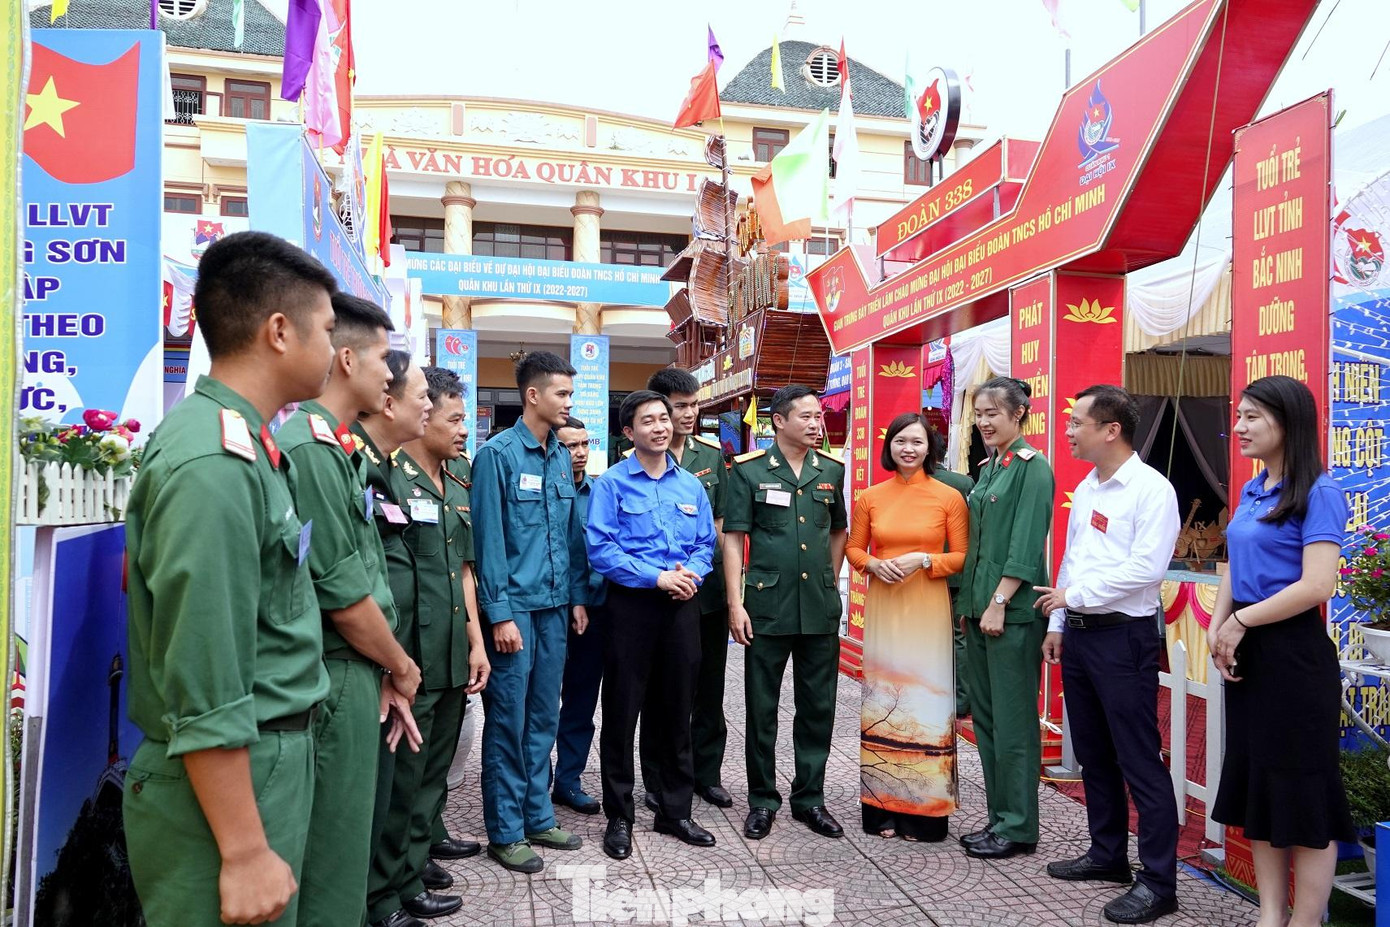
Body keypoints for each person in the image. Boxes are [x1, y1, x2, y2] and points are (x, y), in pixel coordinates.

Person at [122, 231, 335, 926]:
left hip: (262, 763)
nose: (335, 351)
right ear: (280, 330)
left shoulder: (246, 441)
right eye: (328, 330)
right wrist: (244, 849)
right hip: (225, 785)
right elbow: (205, 671)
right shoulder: (213, 462)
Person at [280, 294, 423, 927]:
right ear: (346, 358)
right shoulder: (311, 447)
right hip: (340, 670)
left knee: (351, 840)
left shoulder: (336, 446)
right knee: (334, 858)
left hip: (361, 671)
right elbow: (340, 587)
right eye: (384, 359)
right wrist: (399, 664)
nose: (392, 376)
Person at [1033, 385, 1181, 924]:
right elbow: (1073, 560)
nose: (1068, 431)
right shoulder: (1089, 487)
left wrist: (1074, 598)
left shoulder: (1151, 490)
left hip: (1126, 637)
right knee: (1093, 752)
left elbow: (1146, 570)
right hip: (1082, 634)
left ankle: (1159, 881)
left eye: (1077, 423)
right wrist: (1059, 619)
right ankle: (1107, 854)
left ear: (1110, 429)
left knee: (1138, 757)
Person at [1207, 375, 1351, 927]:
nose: (1237, 427)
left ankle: (1306, 920)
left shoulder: (1319, 492)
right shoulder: (1252, 488)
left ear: (1287, 423)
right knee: (1258, 788)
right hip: (1248, 648)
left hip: (1293, 656)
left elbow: (1318, 586)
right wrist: (1222, 625)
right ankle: (1271, 915)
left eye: (1251, 418)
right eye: (1238, 415)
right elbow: (1233, 565)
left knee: (1304, 794)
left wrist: (1241, 620)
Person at [586, 391, 719, 860]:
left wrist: (691, 576)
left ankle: (674, 809)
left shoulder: (691, 486)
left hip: (681, 605)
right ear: (629, 432)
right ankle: (619, 815)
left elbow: (706, 543)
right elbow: (601, 550)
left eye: (665, 419)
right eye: (649, 421)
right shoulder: (612, 484)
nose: (661, 427)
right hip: (631, 607)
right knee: (623, 711)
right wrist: (655, 576)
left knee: (676, 707)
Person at [379, 368, 491, 921]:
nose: (462, 430)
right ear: (423, 419)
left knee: (435, 771)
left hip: (450, 649)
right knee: (404, 778)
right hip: (409, 656)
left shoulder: (462, 476)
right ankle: (389, 885)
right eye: (452, 418)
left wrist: (475, 640)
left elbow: (464, 570)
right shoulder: (389, 477)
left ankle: (414, 863)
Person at [472, 351, 590, 873]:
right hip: (514, 611)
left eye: (571, 393)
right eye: (562, 393)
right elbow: (489, 543)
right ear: (533, 396)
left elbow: (569, 536)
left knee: (544, 715)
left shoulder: (559, 457)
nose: (569, 403)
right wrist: (497, 615)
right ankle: (505, 830)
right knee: (508, 719)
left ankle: (538, 814)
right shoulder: (497, 456)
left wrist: (577, 597)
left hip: (555, 608)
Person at [723, 385, 848, 841]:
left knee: (818, 706)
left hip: (818, 608)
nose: (817, 424)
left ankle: (809, 798)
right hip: (767, 606)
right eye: (808, 417)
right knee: (762, 707)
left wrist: (829, 580)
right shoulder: (750, 471)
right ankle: (762, 800)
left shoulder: (830, 470)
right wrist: (735, 604)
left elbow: (839, 531)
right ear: (779, 421)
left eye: (819, 416)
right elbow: (734, 537)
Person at [846, 413, 969, 843]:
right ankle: (881, 809)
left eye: (917, 442)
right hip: (885, 604)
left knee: (926, 704)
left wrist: (924, 560)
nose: (909, 449)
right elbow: (853, 549)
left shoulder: (949, 496)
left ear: (930, 447)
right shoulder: (871, 497)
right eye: (900, 441)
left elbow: (961, 557)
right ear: (889, 447)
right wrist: (875, 564)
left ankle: (926, 814)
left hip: (927, 605)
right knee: (884, 702)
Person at [356, 354, 439, 927]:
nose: (431, 407)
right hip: (370, 662)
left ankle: (385, 892)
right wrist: (393, 662)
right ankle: (371, 901)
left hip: (400, 655)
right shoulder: (354, 463)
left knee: (395, 788)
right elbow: (349, 579)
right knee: (369, 800)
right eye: (423, 395)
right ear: (387, 401)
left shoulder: (381, 468)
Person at [957, 376, 1054, 860]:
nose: (984, 422)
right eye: (978, 414)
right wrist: (969, 607)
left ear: (1018, 414)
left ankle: (1019, 826)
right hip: (979, 611)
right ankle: (1000, 818)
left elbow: (1024, 543)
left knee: (1015, 725)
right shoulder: (991, 467)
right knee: (988, 721)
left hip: (1010, 615)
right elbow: (978, 546)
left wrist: (998, 602)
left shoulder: (1033, 469)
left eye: (993, 413)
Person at [639, 367, 733, 811]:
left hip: (704, 590)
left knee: (709, 688)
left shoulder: (711, 457)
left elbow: (717, 528)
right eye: (680, 407)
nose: (689, 414)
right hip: (656, 596)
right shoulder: (636, 456)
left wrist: (696, 575)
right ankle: (657, 777)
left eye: (694, 405)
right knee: (662, 691)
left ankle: (705, 774)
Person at [552, 417, 608, 815]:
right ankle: (534, 783)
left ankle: (568, 781)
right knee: (537, 704)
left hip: (595, 612)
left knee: (580, 700)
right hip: (549, 611)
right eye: (570, 446)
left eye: (585, 444)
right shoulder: (544, 491)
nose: (580, 452)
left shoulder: (601, 491)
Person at [932, 438, 976, 719]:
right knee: (960, 637)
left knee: (928, 635)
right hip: (959, 570)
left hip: (925, 572)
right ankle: (962, 699)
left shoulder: (913, 482)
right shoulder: (963, 483)